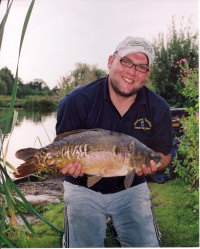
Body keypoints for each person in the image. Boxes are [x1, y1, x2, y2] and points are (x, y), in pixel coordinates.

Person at [56, 36, 173, 247]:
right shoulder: (76, 101)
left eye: (141, 67)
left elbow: (164, 155)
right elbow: (62, 147)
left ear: (148, 74)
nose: (132, 71)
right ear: (111, 61)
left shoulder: (159, 108)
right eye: (126, 61)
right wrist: (67, 166)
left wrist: (155, 165)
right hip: (83, 188)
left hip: (132, 189)